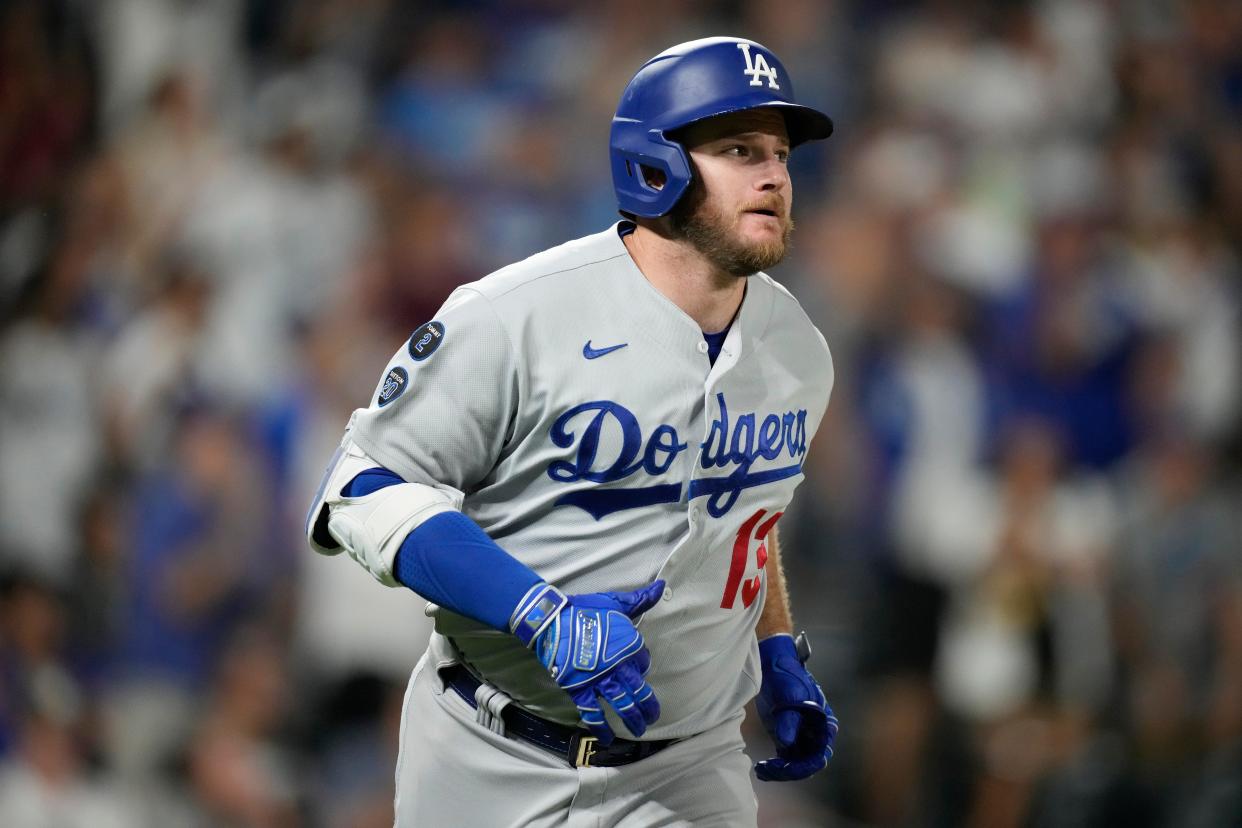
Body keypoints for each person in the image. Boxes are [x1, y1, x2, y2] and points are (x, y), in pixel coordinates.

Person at [306, 36, 839, 826]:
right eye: (738, 149)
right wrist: (539, 615)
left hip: (690, 768)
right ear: (654, 166)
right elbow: (358, 490)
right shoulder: (515, 316)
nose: (773, 176)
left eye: (781, 155)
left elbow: (748, 522)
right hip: (487, 754)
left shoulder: (798, 351)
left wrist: (776, 648)